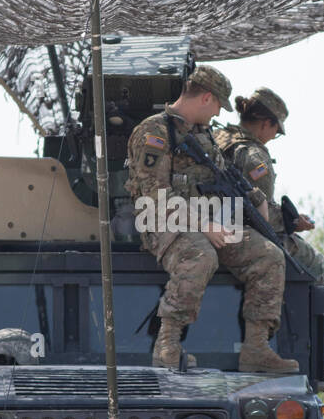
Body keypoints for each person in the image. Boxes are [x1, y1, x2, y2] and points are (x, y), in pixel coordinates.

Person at [125, 65, 299, 374]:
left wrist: (256, 199)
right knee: (200, 255)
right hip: (166, 223)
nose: (219, 112)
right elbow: (154, 194)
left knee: (269, 256)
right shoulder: (154, 132)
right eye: (218, 104)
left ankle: (256, 348)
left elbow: (226, 177)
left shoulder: (203, 135)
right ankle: (168, 344)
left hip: (212, 223)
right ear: (206, 97)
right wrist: (204, 226)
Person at [213, 88, 324, 375]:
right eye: (276, 131)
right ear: (266, 124)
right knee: (315, 262)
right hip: (245, 234)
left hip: (221, 225)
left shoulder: (221, 138)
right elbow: (257, 212)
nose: (274, 137)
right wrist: (292, 222)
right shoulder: (252, 155)